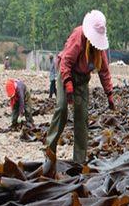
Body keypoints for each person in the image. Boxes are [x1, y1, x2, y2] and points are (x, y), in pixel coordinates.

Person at [45, 10, 115, 164]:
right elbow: (65, 62)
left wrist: (109, 94)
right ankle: (49, 153)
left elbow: (104, 71)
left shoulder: (99, 50)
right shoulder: (79, 36)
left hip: (82, 80)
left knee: (81, 118)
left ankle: (79, 160)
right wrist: (68, 85)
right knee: (61, 110)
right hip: (66, 75)